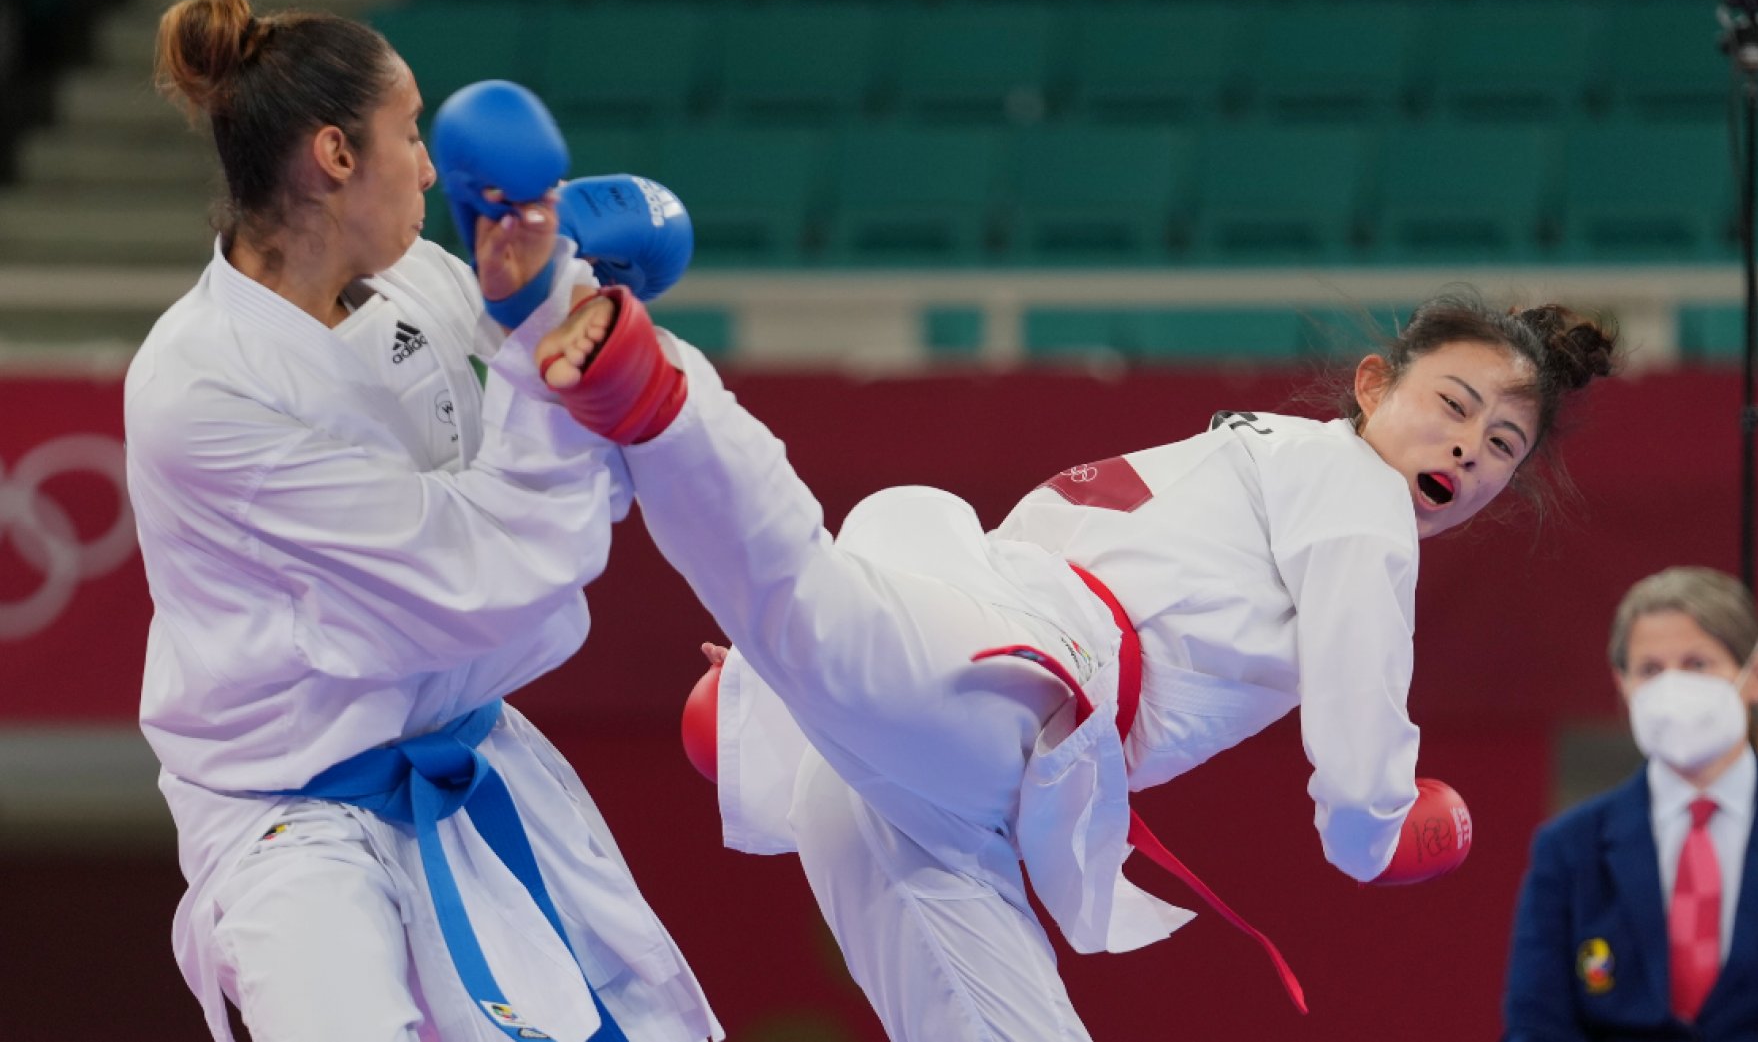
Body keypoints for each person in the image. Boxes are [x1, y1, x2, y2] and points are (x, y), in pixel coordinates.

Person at [538, 286, 1617, 1039]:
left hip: (964, 749)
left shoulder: (1252, 456)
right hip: (1008, 684)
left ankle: (783, 699)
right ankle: (657, 397)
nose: (1470, 448)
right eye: (1453, 405)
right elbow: (1354, 751)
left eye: (1503, 446)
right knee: (796, 596)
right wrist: (1382, 826)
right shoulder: (1358, 497)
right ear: (1373, 385)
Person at [128, 0, 718, 1042]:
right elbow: (486, 577)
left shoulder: (426, 284)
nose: (433, 169)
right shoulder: (201, 383)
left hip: (473, 757)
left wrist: (578, 317)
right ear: (335, 156)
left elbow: (607, 473)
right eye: (409, 133)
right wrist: (554, 373)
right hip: (295, 817)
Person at [1502, 567, 1758, 1040]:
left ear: (1757, 675)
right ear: (1622, 683)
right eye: (1650, 669)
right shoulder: (1569, 847)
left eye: (1697, 664)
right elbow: (1536, 1023)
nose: (1673, 689)